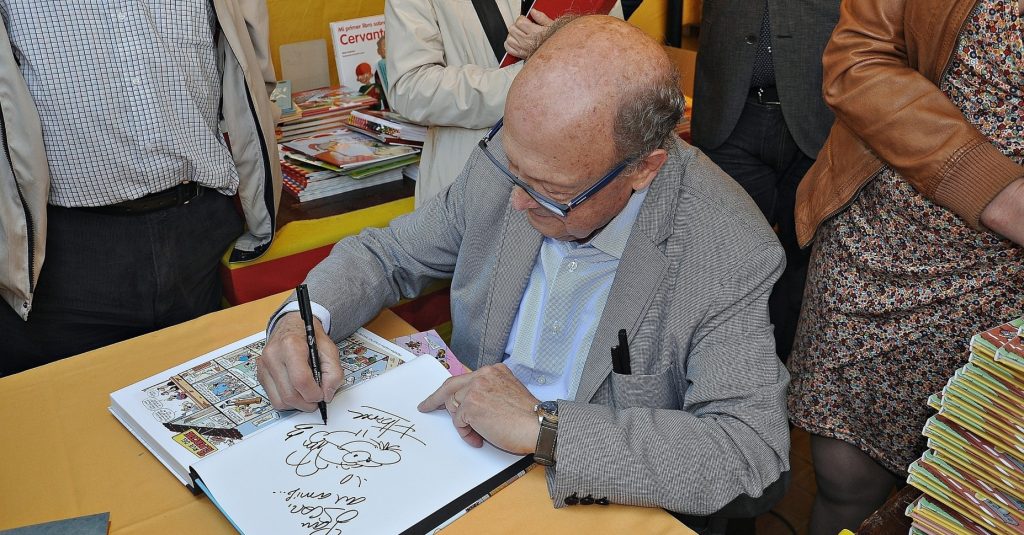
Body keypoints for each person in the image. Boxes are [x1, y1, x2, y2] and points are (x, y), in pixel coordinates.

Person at [258, 15, 790, 525]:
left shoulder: (727, 247)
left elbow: (748, 450)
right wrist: (301, 320)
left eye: (553, 194)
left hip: (596, 497)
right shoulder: (515, 161)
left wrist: (547, 429)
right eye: (515, 168)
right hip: (460, 461)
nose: (516, 202)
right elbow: (386, 253)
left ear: (644, 167)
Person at [788, 0, 1024, 533]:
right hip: (890, 248)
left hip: (1014, 293)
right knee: (846, 484)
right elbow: (858, 60)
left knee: (985, 501)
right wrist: (1001, 194)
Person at [0, 1, 281, 375]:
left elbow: (250, 62)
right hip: (61, 254)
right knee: (66, 418)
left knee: (223, 411)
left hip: (200, 231)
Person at [691, 0, 841, 362]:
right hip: (731, 113)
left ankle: (779, 381)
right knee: (721, 258)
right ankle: (717, 373)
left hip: (819, 117)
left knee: (804, 261)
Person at [385, 0, 623, 207]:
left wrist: (569, 40)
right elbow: (410, 88)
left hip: (570, 178)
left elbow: (620, 63)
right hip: (472, 177)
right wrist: (535, 78)